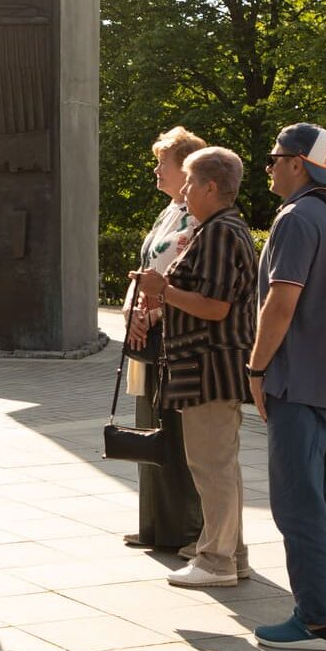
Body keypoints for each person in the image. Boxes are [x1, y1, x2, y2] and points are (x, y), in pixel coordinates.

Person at [248, 123, 326, 651]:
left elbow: (282, 302)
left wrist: (255, 368)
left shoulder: (295, 219)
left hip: (298, 384)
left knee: (300, 505)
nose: (269, 166)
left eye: (275, 158)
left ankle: (314, 623)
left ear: (298, 162)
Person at [131, 146, 258, 588]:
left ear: (210, 187)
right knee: (220, 464)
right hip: (210, 366)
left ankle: (216, 560)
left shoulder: (220, 232)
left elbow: (216, 307)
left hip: (209, 366)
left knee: (212, 466)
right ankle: (231, 553)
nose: (183, 191)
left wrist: (160, 290)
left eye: (189, 182)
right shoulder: (218, 229)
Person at [122, 126, 207, 556]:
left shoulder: (196, 220)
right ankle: (156, 526)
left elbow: (182, 278)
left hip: (171, 334)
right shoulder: (170, 212)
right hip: (149, 333)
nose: (156, 169)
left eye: (163, 163)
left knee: (173, 434)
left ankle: (186, 530)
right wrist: (131, 312)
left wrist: (150, 313)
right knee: (150, 429)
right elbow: (145, 265)